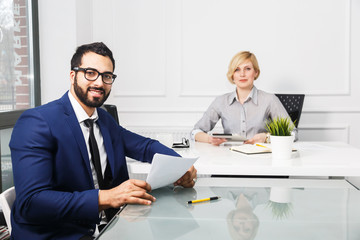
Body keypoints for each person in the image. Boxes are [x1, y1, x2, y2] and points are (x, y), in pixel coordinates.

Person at [9, 42, 197, 240]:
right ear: (73, 76)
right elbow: (32, 202)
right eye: (90, 73)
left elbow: (145, 146)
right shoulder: (37, 122)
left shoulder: (104, 119)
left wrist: (179, 166)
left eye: (106, 76)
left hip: (110, 227)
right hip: (58, 234)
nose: (99, 83)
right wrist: (109, 197)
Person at [191, 51, 297, 146]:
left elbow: (293, 133)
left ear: (255, 72)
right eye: (237, 70)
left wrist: (267, 137)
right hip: (229, 160)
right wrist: (209, 139)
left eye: (247, 69)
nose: (242, 74)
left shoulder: (269, 100)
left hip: (262, 160)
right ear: (232, 75)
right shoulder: (220, 101)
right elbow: (195, 132)